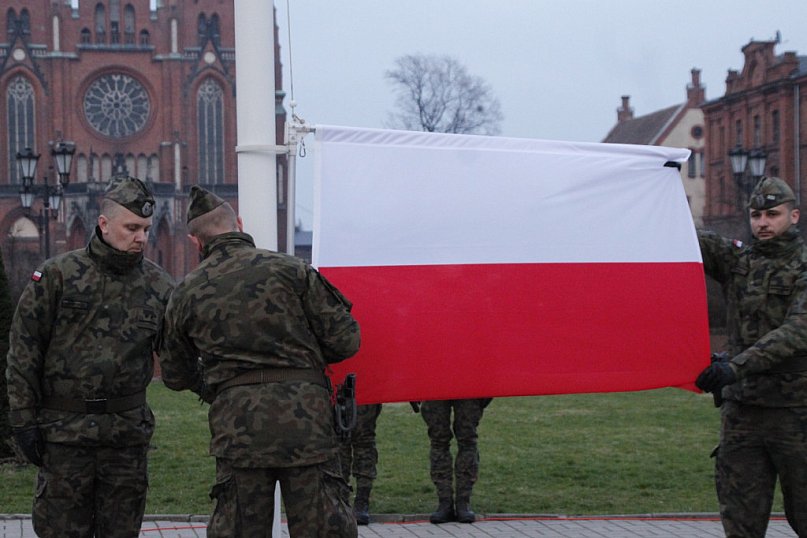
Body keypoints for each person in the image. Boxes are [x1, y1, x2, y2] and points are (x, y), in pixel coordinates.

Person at [159, 186, 361, 538]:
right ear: (238, 223)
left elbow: (175, 373)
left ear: (195, 241)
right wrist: (305, 363)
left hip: (238, 430)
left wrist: (217, 386)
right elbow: (346, 340)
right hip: (306, 426)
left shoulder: (187, 292)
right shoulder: (292, 270)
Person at [5, 176, 173, 537]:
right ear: (104, 224)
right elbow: (24, 350)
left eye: (146, 229)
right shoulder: (57, 276)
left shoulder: (159, 286)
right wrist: (23, 420)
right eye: (132, 228)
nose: (141, 238)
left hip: (125, 442)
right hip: (64, 439)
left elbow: (178, 357)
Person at [695, 176, 807, 538]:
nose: (763, 223)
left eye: (772, 214)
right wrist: (654, 188)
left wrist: (734, 367)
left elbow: (795, 332)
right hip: (742, 414)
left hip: (796, 412)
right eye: (756, 215)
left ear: (793, 216)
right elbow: (689, 239)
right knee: (740, 520)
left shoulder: (803, 267)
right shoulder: (740, 260)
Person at [419, 398, 491, 524]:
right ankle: (444, 501)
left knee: (467, 440)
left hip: (468, 389)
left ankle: (463, 501)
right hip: (434, 389)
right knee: (438, 441)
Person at [339, 403, 382, 525]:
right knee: (340, 444)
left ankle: (362, 500)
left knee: (364, 442)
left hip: (364, 396)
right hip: (337, 396)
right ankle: (340, 499)